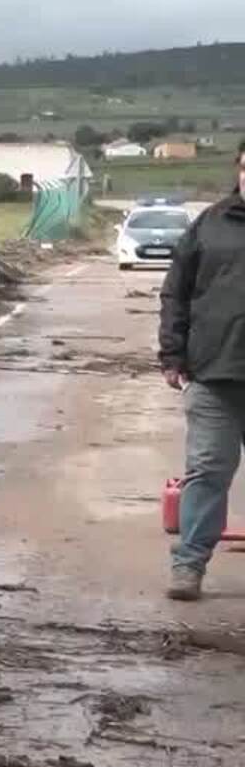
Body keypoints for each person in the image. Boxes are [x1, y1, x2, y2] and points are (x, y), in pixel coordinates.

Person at [160, 140, 245, 601]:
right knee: (208, 470)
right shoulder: (210, 226)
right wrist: (172, 355)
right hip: (214, 374)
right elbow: (176, 292)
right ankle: (188, 566)